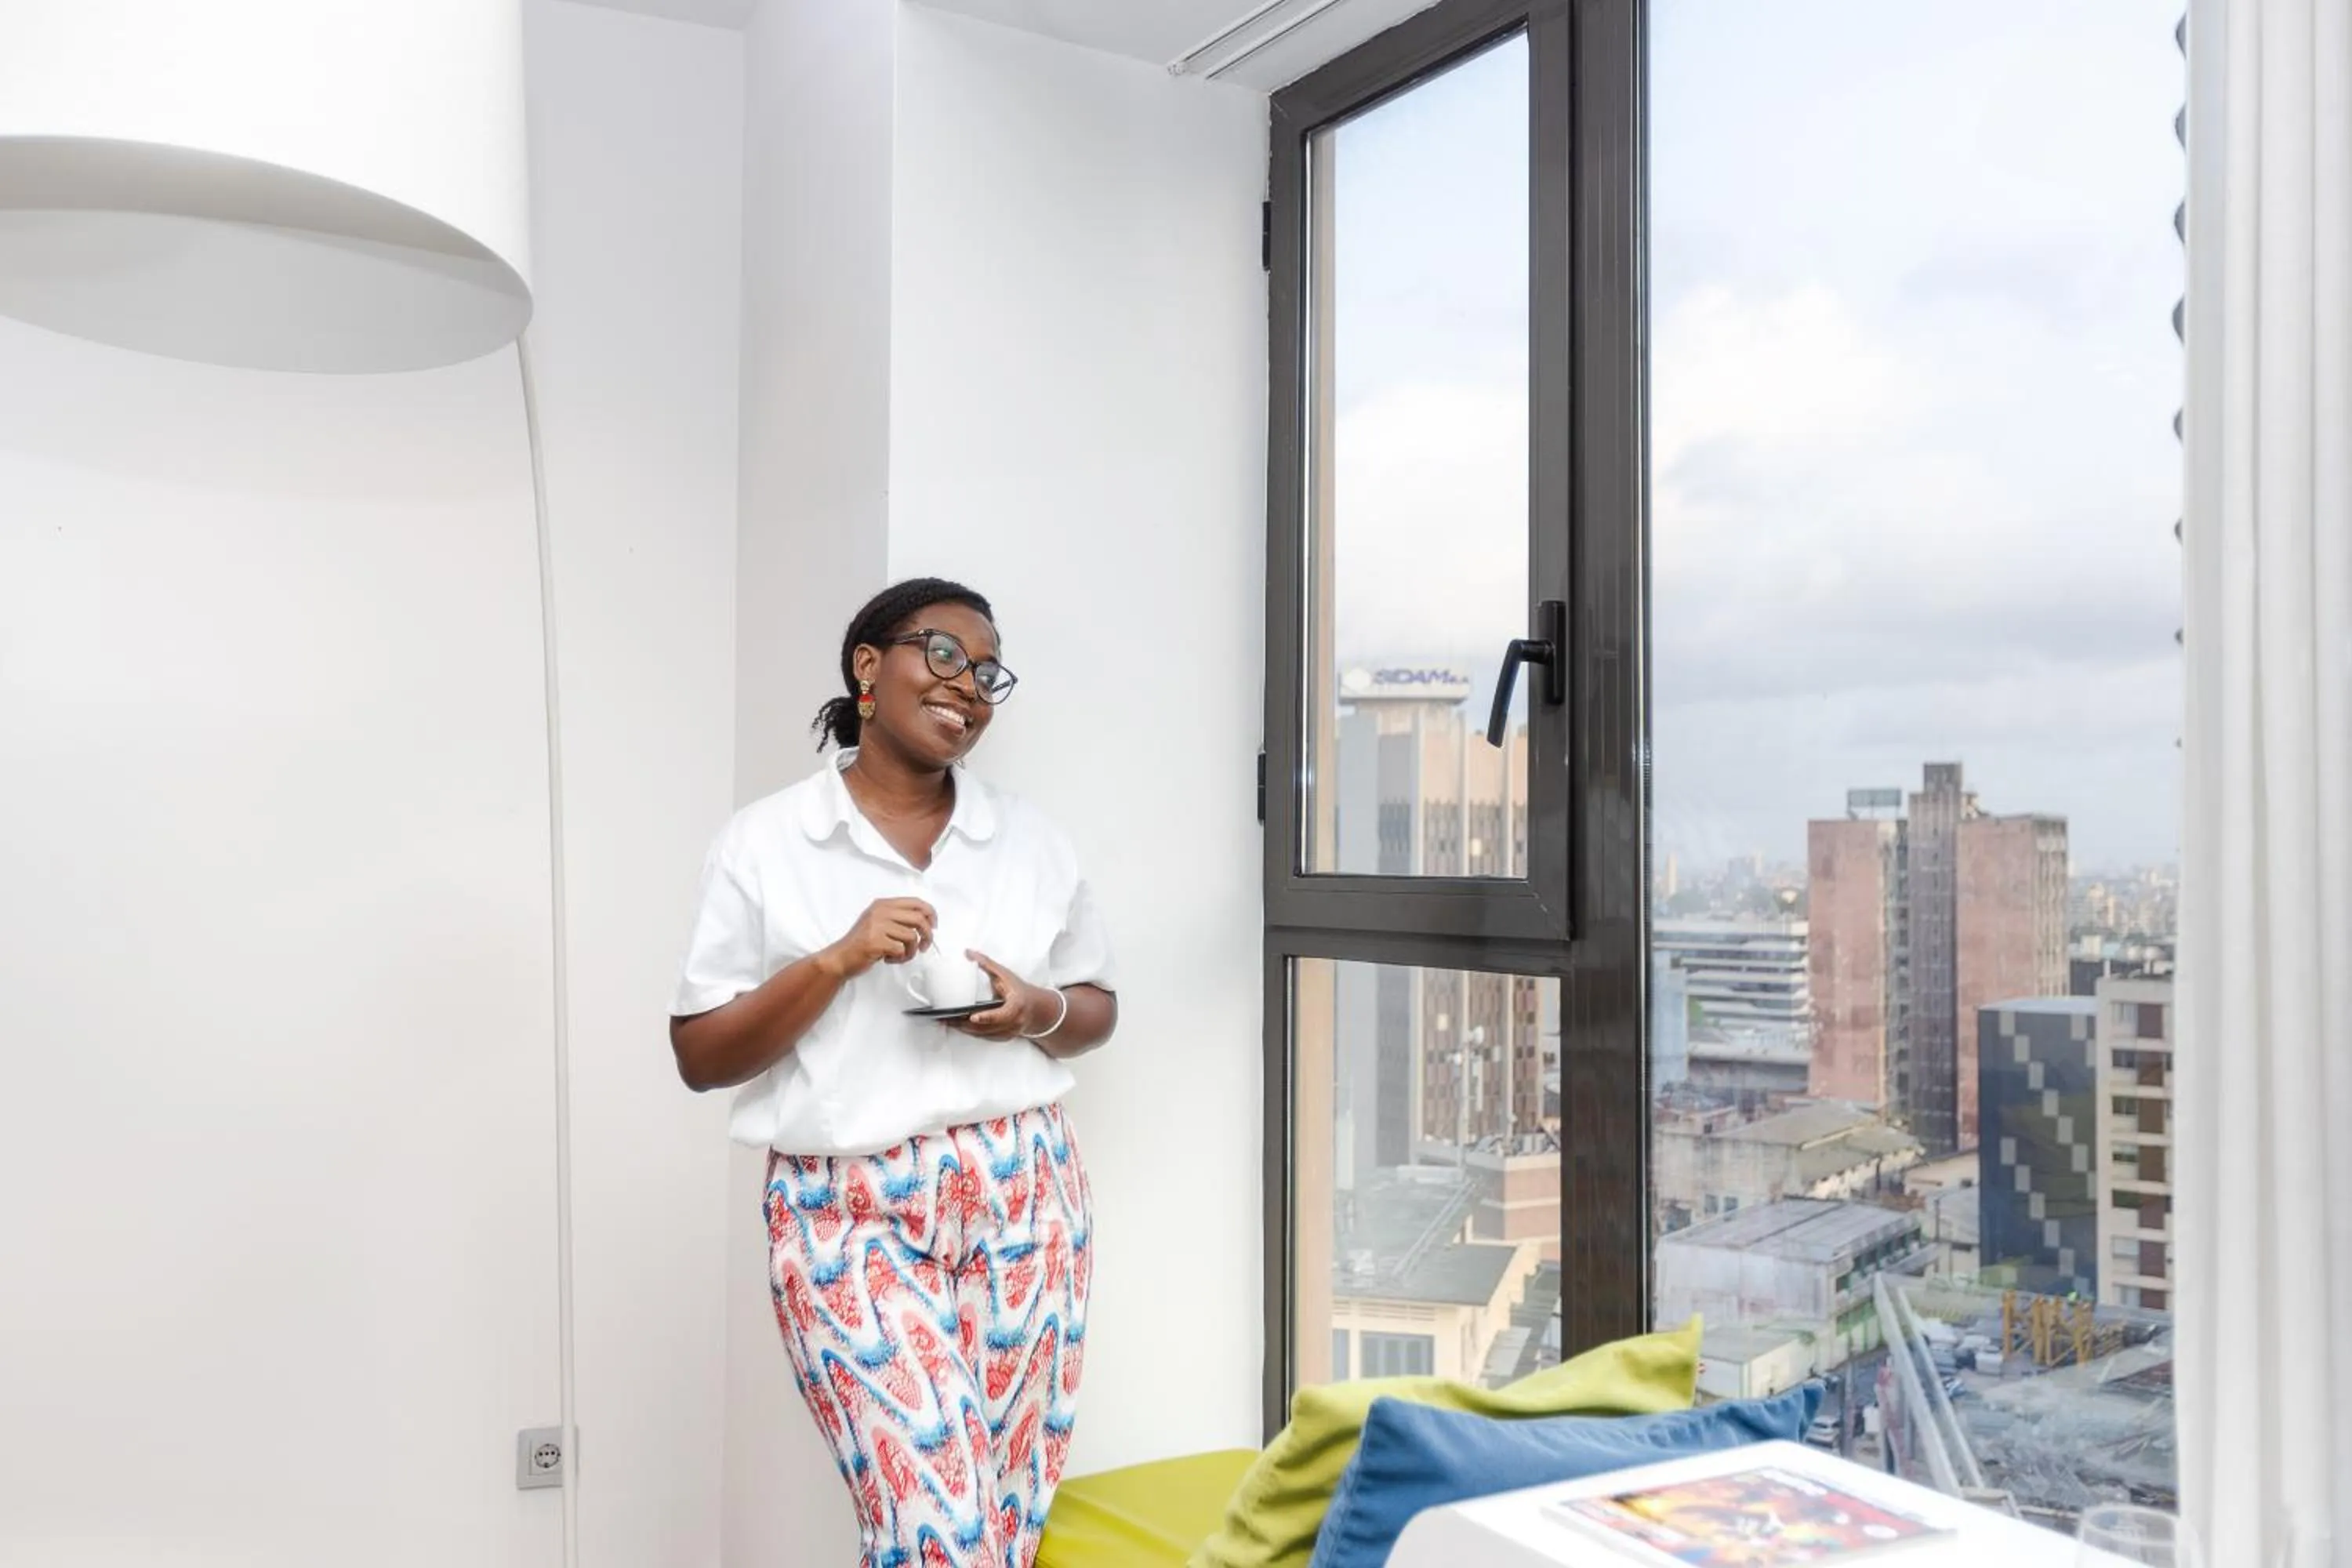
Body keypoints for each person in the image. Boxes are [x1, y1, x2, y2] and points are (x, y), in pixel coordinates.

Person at [668, 579, 1117, 1568]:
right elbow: (701, 1052)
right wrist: (834, 960)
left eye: (988, 671)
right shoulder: (766, 841)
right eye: (943, 653)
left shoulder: (1033, 840)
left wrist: (1034, 1010)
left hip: (1026, 1190)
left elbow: (1093, 1010)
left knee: (1005, 1521)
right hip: (847, 1207)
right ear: (868, 667)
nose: (970, 685)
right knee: (936, 1531)